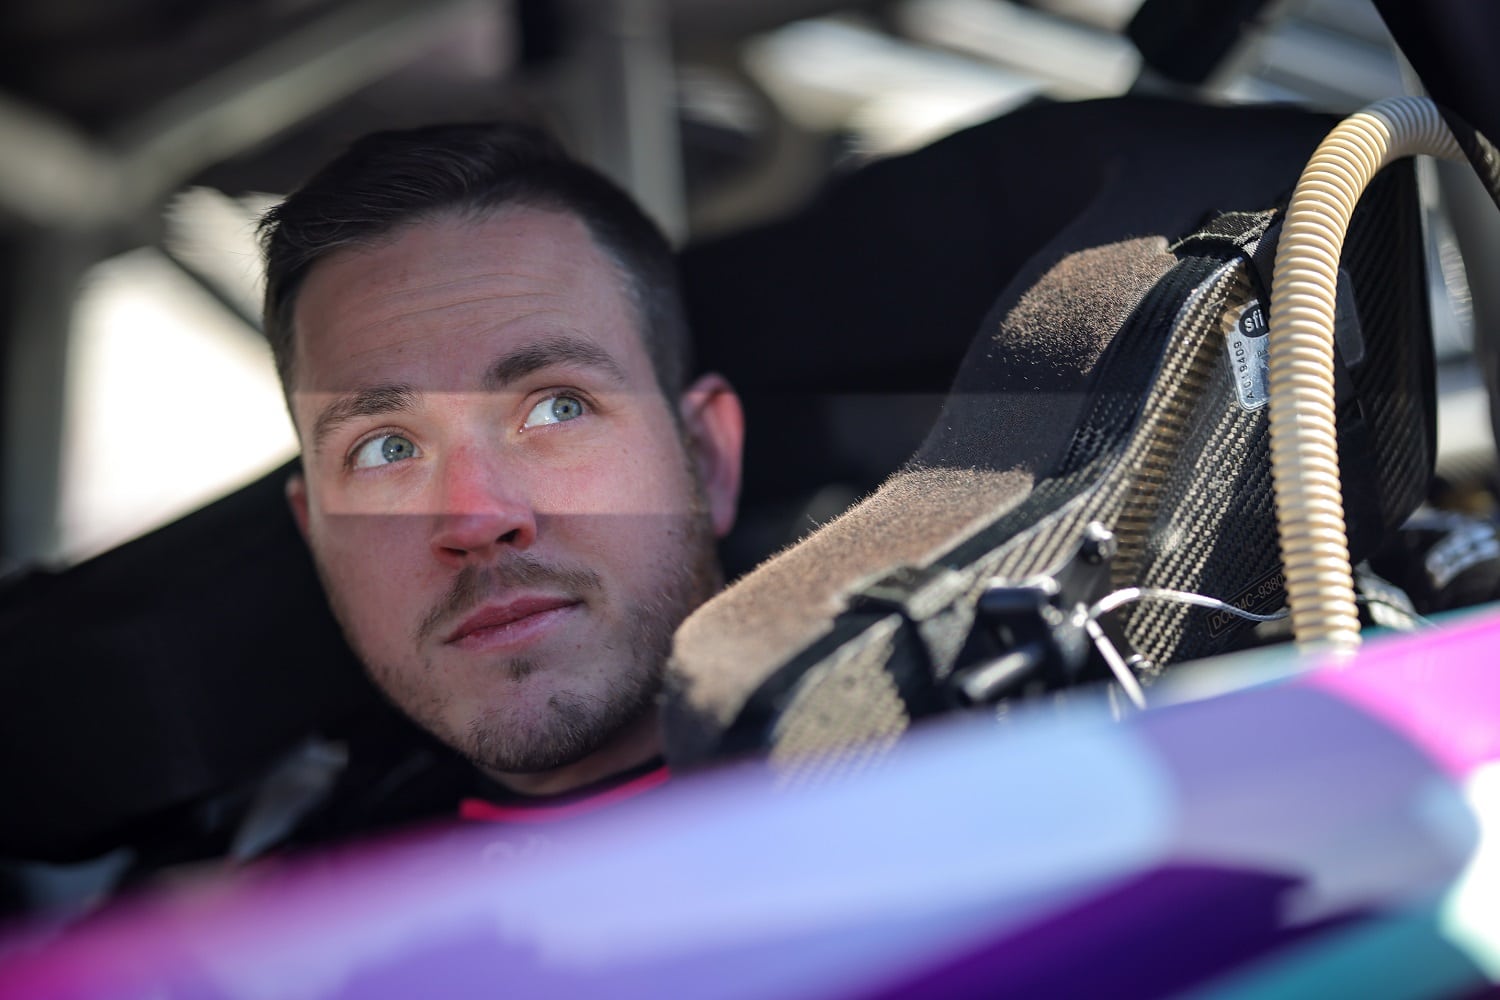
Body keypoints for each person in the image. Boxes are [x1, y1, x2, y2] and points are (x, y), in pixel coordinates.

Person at [258, 122, 745, 819]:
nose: (476, 518)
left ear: (707, 457)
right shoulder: (280, 912)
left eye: (556, 408)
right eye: (386, 450)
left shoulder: (931, 789)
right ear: (317, 538)